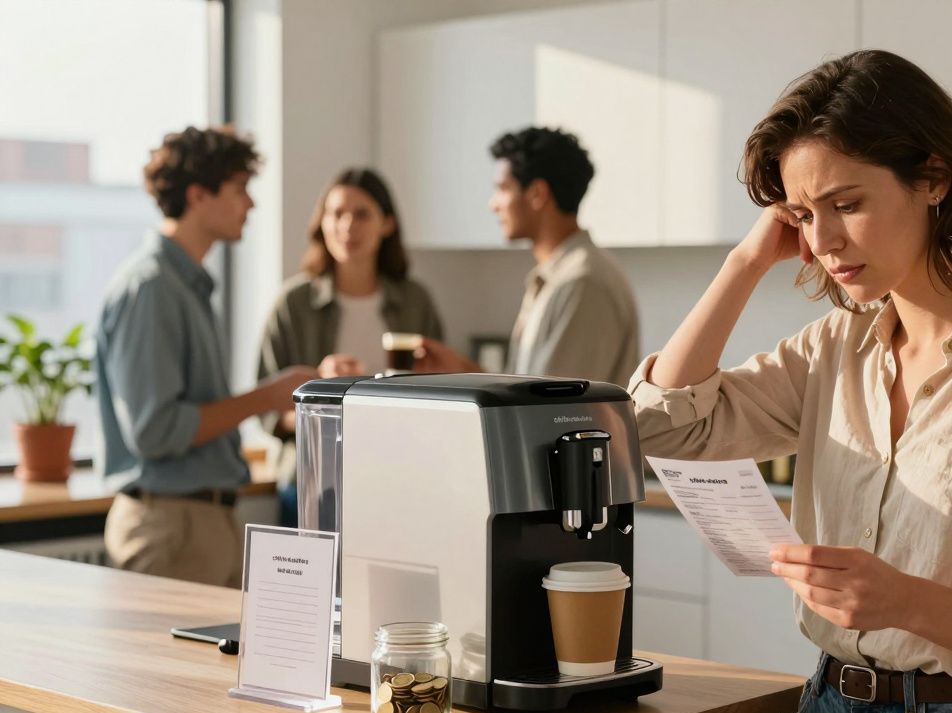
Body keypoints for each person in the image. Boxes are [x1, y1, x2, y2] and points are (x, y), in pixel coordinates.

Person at [629, 50, 952, 713]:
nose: (823, 240)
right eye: (802, 215)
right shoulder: (833, 348)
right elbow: (662, 428)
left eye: (847, 205)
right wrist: (744, 263)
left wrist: (906, 602)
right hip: (824, 708)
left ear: (933, 179)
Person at [96, 126, 318, 586]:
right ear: (198, 196)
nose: (250, 204)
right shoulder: (153, 289)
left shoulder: (186, 287)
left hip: (200, 524)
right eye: (239, 189)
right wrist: (268, 397)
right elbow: (155, 431)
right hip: (171, 530)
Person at [258, 167, 444, 526]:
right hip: (312, 483)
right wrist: (318, 395)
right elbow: (267, 412)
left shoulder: (415, 302)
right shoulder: (293, 304)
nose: (347, 226)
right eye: (336, 213)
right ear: (322, 223)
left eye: (361, 214)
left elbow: (441, 397)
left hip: (396, 480)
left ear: (387, 223)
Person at [415, 127, 638, 386]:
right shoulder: (558, 277)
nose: (493, 204)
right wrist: (463, 369)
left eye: (503, 189)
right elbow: (532, 391)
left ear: (537, 194)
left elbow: (556, 402)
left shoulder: (583, 282)